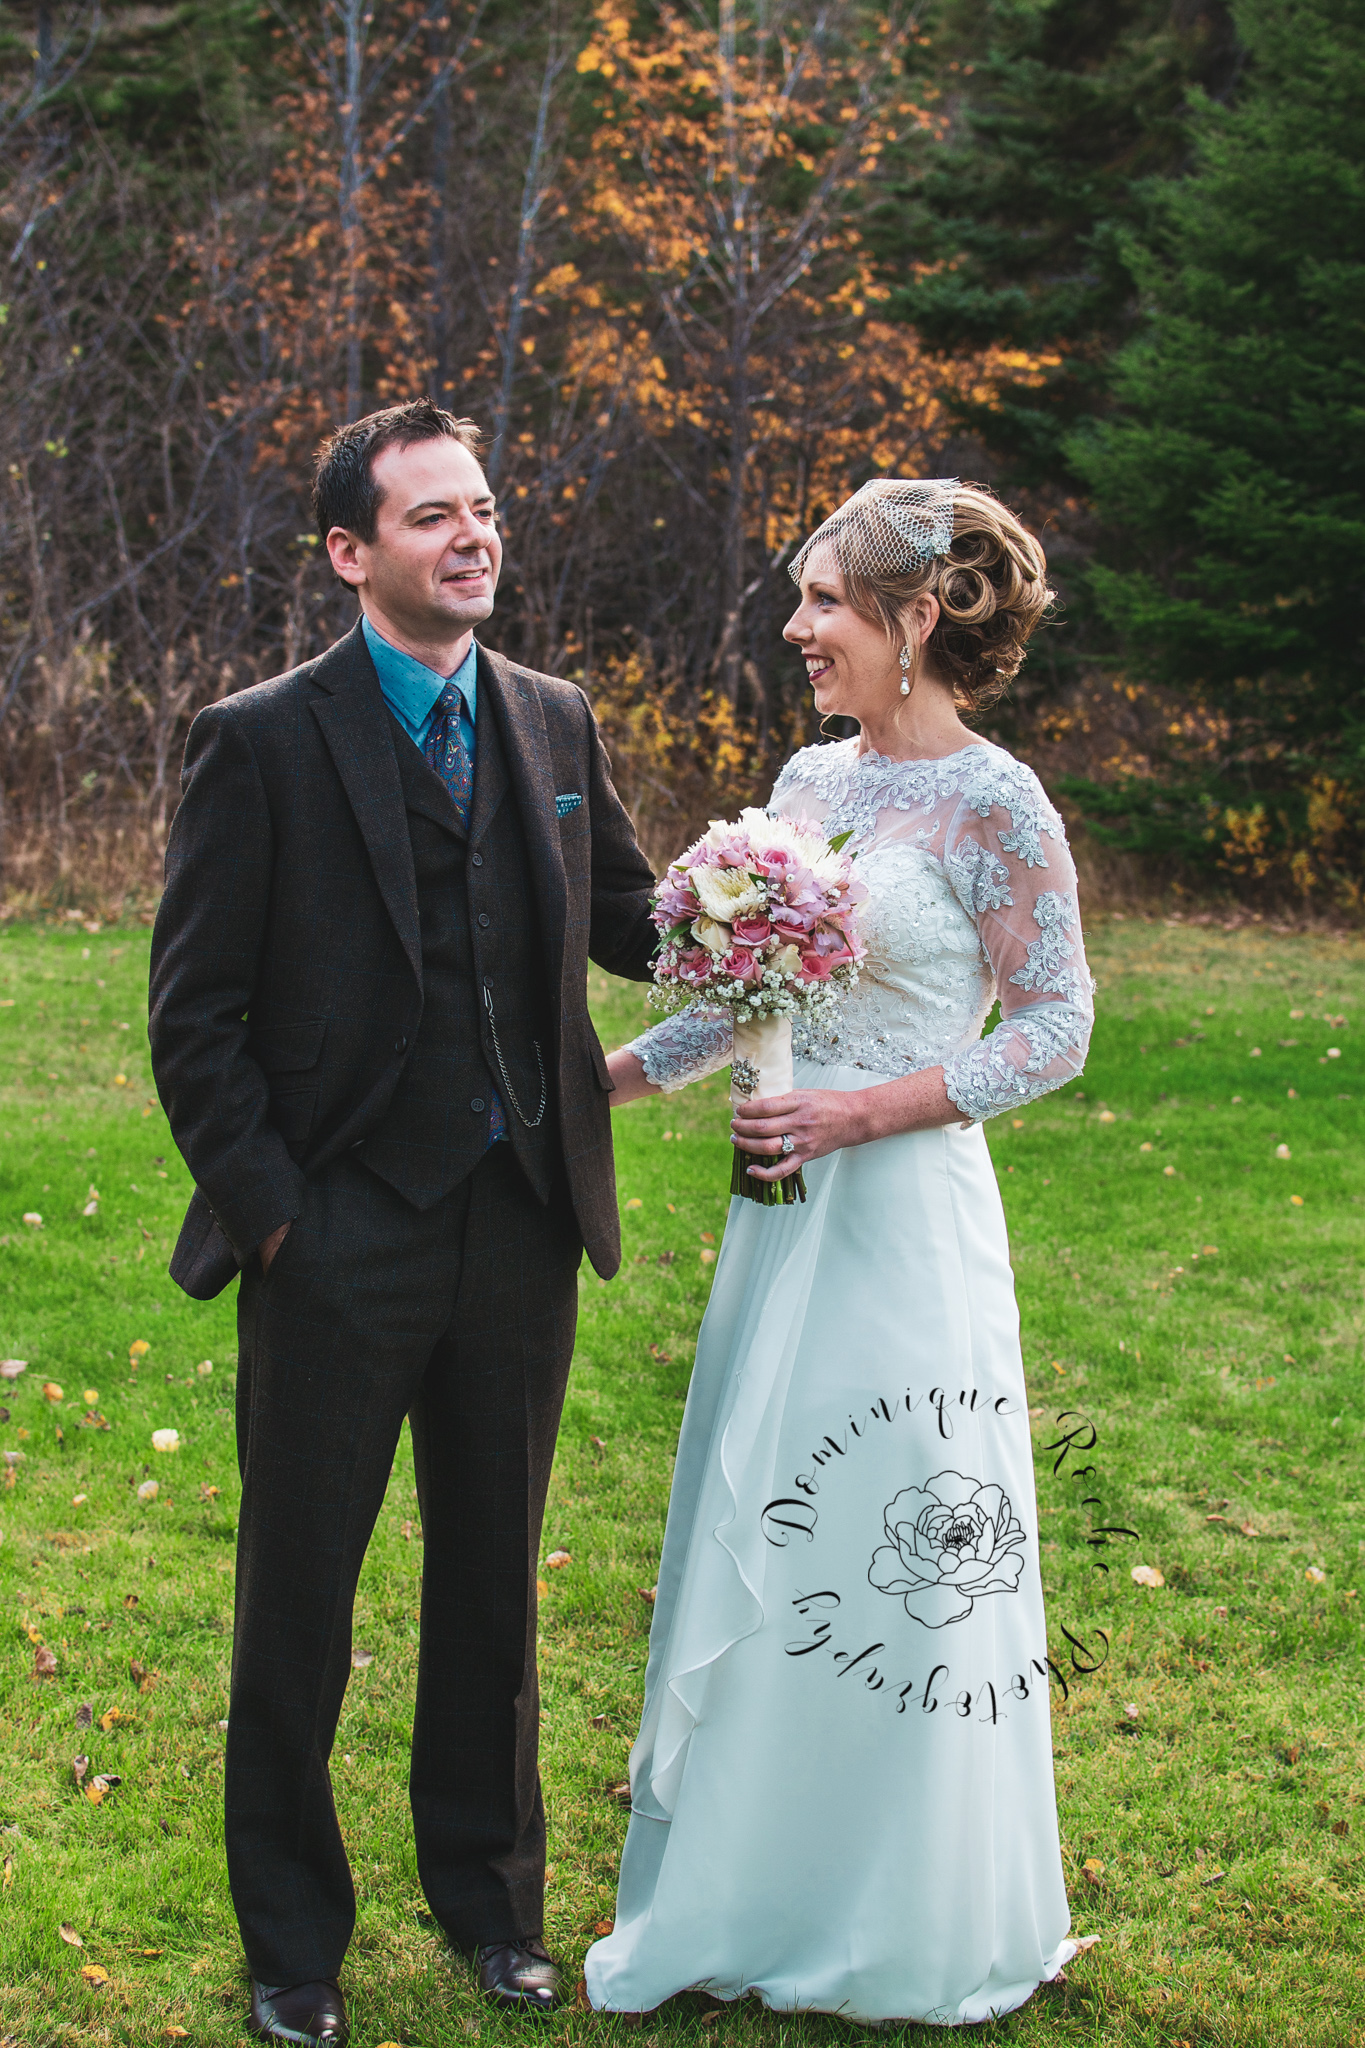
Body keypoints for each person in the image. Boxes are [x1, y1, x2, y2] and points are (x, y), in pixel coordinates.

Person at [148, 399, 657, 2046]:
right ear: (349, 553)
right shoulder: (260, 740)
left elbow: (634, 916)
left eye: (483, 506)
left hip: (518, 1220)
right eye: (432, 515)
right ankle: (293, 1944)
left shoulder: (553, 719)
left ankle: (491, 1907)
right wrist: (276, 1220)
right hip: (338, 1234)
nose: (473, 534)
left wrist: (786, 893)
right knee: (300, 1597)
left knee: (494, 1586)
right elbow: (194, 1016)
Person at [585, 479, 1095, 2026]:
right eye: (801, 599)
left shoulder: (996, 803)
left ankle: (898, 1906)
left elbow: (1055, 1028)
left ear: (914, 615)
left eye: (823, 601)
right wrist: (593, 1086)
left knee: (894, 1538)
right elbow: (749, 992)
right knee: (771, 1519)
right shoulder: (810, 778)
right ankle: (748, 1889)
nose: (796, 628)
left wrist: (854, 1114)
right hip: (780, 1224)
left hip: (906, 1224)